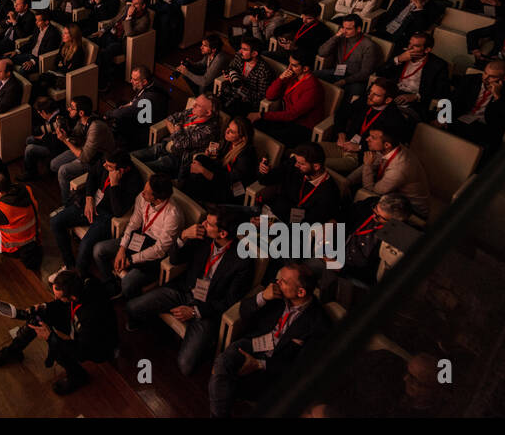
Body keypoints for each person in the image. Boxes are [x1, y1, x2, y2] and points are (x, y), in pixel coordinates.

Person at [124, 205, 254, 377]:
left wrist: (194, 312)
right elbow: (176, 259)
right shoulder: (202, 235)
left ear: (222, 233)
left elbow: (229, 301)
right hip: (184, 290)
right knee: (132, 307)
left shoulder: (243, 260)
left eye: (209, 223)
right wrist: (183, 236)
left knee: (185, 366)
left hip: (206, 309)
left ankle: (204, 344)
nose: (203, 224)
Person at [208, 262, 330, 417]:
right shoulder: (276, 294)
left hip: (274, 367)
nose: (277, 283)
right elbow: (243, 310)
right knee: (222, 364)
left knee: (223, 380)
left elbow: (301, 368)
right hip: (252, 344)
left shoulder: (319, 324)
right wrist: (262, 298)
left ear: (300, 292)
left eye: (284, 281)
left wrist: (259, 364)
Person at [0, 269, 118, 395]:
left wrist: (50, 337)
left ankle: (78, 376)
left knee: (55, 346)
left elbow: (82, 351)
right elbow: (64, 305)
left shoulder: (90, 316)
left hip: (97, 347)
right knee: (38, 318)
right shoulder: (83, 282)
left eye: (58, 297)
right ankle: (14, 351)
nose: (55, 298)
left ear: (72, 297)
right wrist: (43, 307)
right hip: (78, 322)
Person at [49, 150, 142, 277]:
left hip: (107, 216)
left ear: (121, 171)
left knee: (85, 245)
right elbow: (92, 174)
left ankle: (79, 276)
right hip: (91, 203)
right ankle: (69, 267)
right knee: (56, 221)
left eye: (109, 167)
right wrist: (89, 198)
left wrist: (114, 184)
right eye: (105, 163)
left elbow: (118, 212)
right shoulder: (106, 161)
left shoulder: (134, 181)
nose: (104, 166)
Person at [92, 173, 182, 301]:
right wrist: (122, 249)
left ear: (157, 199)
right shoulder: (142, 197)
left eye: (146, 192)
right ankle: (111, 284)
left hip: (154, 254)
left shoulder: (173, 215)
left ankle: (132, 296)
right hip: (140, 238)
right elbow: (133, 223)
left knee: (128, 283)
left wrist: (130, 260)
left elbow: (159, 250)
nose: (142, 193)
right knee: (98, 250)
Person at [344, 121, 430, 220]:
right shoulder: (390, 148)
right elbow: (372, 164)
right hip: (393, 195)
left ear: (387, 145)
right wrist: (347, 182)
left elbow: (371, 192)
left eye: (373, 138)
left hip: (412, 212)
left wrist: (368, 165)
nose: (367, 139)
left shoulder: (399, 168)